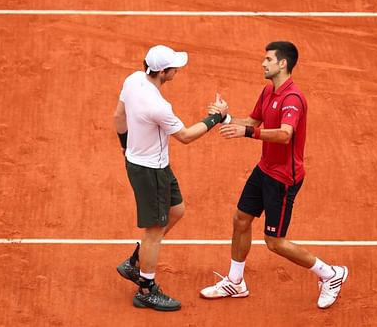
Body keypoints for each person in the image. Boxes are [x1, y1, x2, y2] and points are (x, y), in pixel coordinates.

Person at [199, 41, 348, 309]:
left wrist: (247, 133)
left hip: (283, 179)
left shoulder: (293, 99)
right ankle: (235, 281)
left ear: (282, 64)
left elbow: (284, 134)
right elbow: (253, 122)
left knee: (274, 242)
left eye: (268, 59)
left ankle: (331, 274)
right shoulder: (269, 91)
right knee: (241, 219)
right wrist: (225, 118)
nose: (263, 63)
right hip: (265, 168)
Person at [114, 44, 229, 311]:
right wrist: (216, 118)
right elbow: (187, 136)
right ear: (163, 72)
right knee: (154, 232)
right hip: (150, 172)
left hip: (153, 165)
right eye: (174, 67)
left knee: (176, 210)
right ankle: (146, 288)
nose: (178, 70)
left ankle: (135, 262)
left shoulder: (132, 79)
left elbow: (118, 115)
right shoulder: (159, 106)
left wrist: (125, 143)